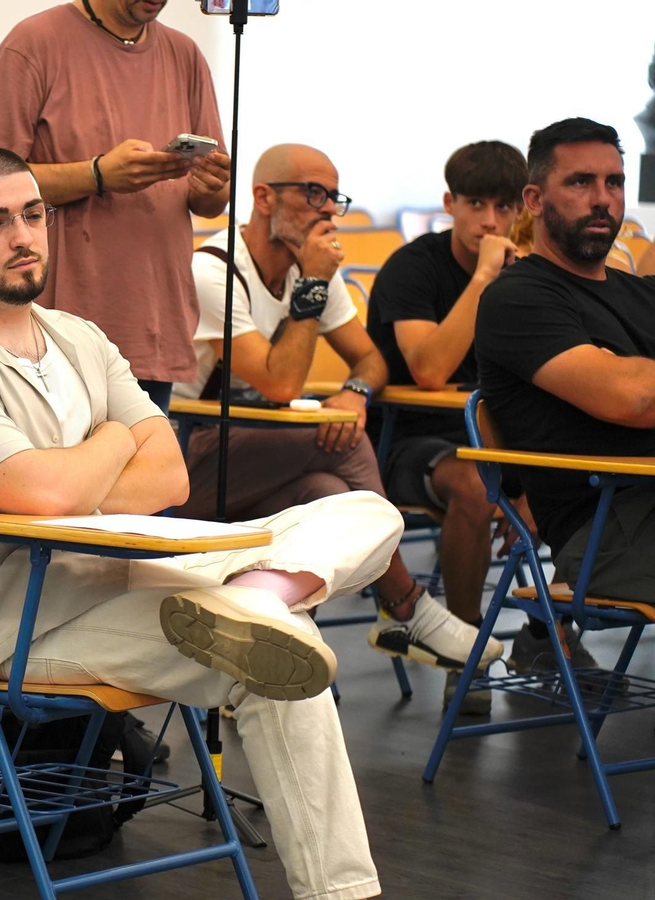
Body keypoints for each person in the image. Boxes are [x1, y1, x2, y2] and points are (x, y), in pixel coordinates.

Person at [0, 146, 395, 900]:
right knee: (284, 658)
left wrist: (80, 470)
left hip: (147, 577)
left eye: (32, 215)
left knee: (365, 510)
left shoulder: (77, 337)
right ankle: (343, 893)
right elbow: (50, 496)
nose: (23, 236)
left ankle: (255, 599)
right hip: (36, 626)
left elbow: (171, 475)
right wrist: (120, 437)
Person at [181, 143, 501, 677]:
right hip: (188, 457)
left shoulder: (314, 272)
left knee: (330, 496)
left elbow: (372, 359)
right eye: (313, 193)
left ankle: (271, 646)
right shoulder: (213, 271)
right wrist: (310, 284)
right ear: (262, 197)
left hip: (252, 453)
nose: (329, 209)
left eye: (334, 196)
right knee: (346, 438)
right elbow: (281, 383)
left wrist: (354, 390)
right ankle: (405, 607)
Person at [0, 0, 232, 410]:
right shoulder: (35, 43)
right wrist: (97, 175)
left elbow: (210, 201)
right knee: (62, 471)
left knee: (144, 473)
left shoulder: (185, 55)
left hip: (153, 320)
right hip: (59, 329)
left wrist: (213, 187)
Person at [362, 140, 546, 709]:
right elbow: (429, 369)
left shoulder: (528, 275)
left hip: (495, 441)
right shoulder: (413, 269)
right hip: (408, 443)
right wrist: (484, 280)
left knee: (572, 476)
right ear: (450, 203)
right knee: (474, 485)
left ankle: (548, 635)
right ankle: (464, 652)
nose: (488, 221)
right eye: (475, 204)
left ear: (522, 210)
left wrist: (531, 489)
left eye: (503, 207)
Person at [477, 118, 655, 654]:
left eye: (614, 183)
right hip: (606, 533)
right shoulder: (519, 297)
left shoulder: (640, 294)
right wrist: (630, 377)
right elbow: (633, 397)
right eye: (581, 182)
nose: (603, 199)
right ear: (534, 198)